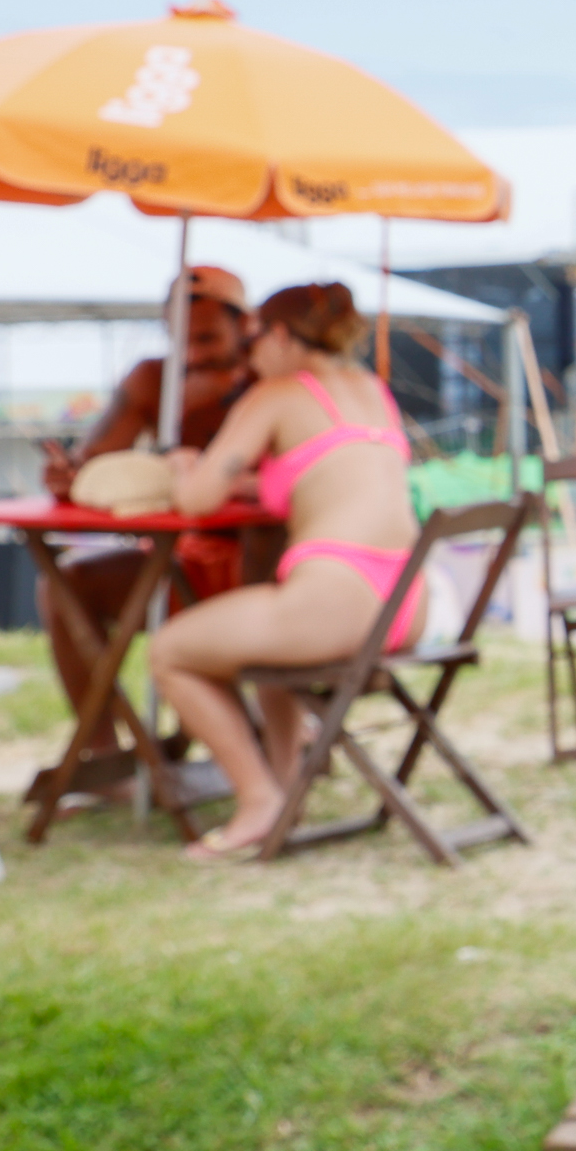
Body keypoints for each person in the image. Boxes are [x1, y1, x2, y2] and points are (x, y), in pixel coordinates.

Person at [150, 283, 426, 863]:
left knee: (170, 651)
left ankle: (256, 802)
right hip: (405, 601)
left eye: (252, 342)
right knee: (265, 644)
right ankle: (284, 785)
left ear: (278, 335)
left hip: (335, 598)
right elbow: (328, 470)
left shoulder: (277, 393)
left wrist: (182, 463)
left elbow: (197, 500)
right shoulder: (371, 390)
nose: (248, 358)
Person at [36, 267, 257, 766]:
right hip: (178, 562)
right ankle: (103, 756)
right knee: (62, 587)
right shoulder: (154, 379)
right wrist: (69, 478)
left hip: (261, 569)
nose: (194, 354)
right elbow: (90, 469)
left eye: (207, 338)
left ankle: (240, 738)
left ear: (247, 326)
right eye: (181, 340)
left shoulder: (271, 381)